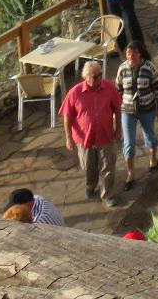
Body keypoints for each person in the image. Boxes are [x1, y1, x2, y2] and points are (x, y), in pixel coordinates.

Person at [60, 59, 124, 207]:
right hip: (84, 138)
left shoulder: (109, 88)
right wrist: (68, 137)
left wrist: (118, 129)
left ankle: (107, 195)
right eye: (95, 76)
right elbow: (67, 116)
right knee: (89, 167)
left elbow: (117, 109)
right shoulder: (75, 92)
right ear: (86, 77)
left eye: (100, 74)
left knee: (108, 166)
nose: (99, 78)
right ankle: (91, 185)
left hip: (105, 135)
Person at [116, 42, 158, 188]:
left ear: (140, 54)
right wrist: (116, 110)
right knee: (128, 143)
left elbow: (157, 88)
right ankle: (130, 173)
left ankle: (153, 160)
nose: (130, 56)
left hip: (147, 109)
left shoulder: (149, 68)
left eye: (133, 53)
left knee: (150, 136)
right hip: (127, 111)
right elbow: (118, 89)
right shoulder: (122, 68)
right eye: (128, 53)